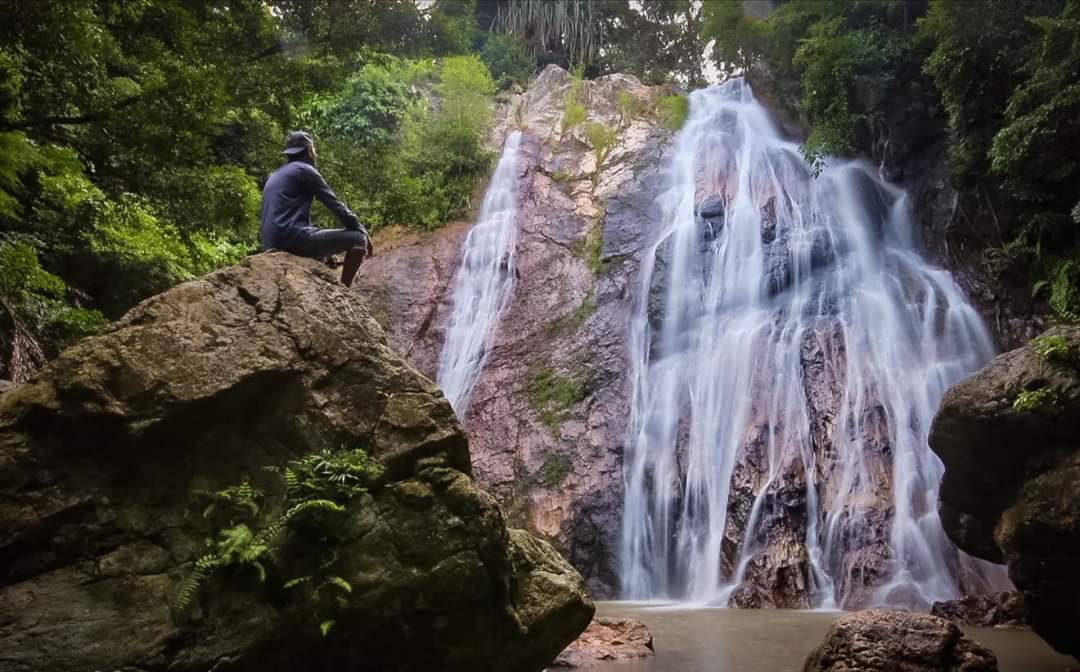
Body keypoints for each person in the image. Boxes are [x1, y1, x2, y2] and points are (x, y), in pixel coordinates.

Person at [259, 131, 373, 286]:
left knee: (322, 257)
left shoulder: (275, 175)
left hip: (270, 243)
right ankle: (344, 290)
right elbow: (335, 205)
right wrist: (362, 230)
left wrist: (326, 253)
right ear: (309, 151)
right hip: (292, 241)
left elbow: (291, 219)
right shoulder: (305, 170)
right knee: (358, 239)